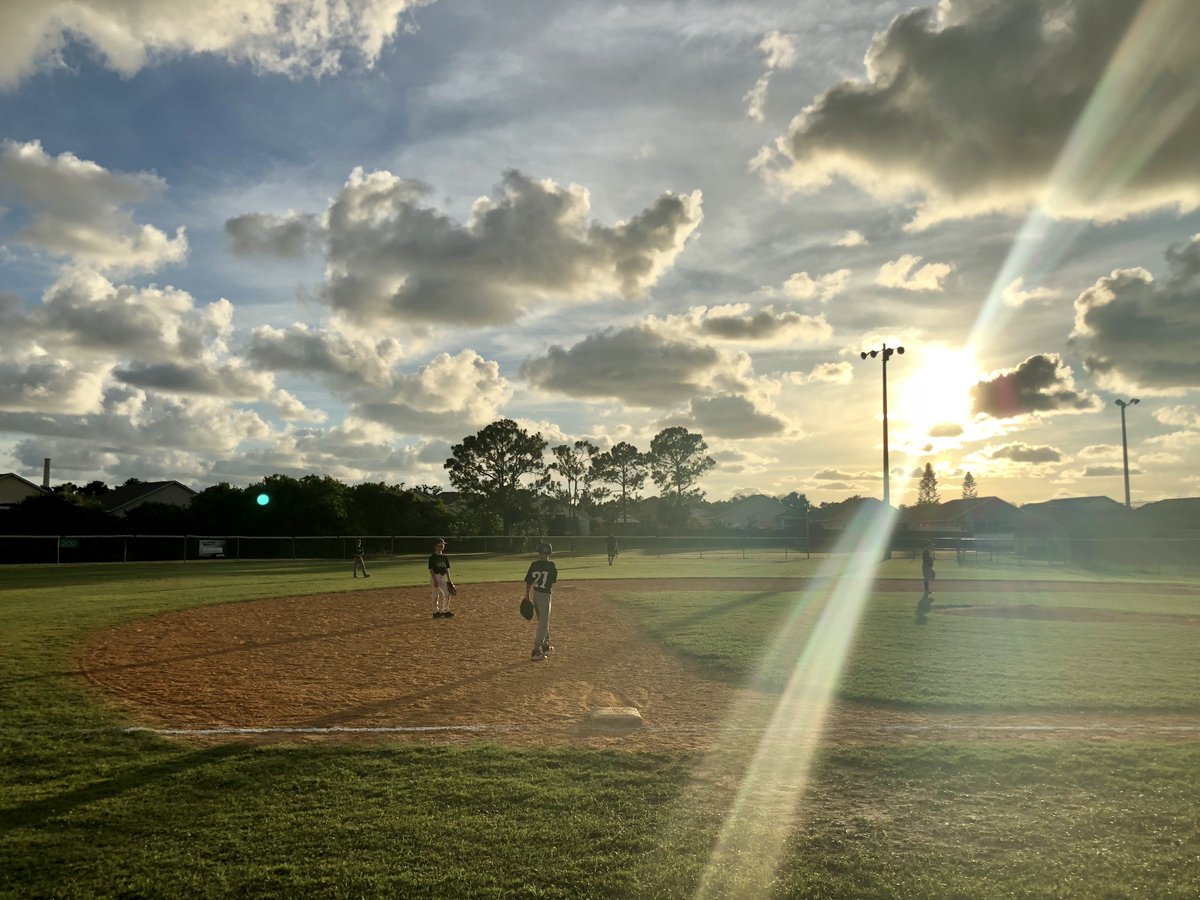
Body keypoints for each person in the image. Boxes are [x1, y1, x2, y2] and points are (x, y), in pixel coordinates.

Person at [523, 542, 558, 661]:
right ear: (550, 552)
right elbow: (552, 582)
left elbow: (528, 582)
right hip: (545, 595)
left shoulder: (534, 564)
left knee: (542, 619)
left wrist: (527, 597)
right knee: (544, 621)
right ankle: (536, 650)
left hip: (535, 594)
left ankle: (545, 645)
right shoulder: (551, 565)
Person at [428, 538, 454, 618]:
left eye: (443, 545)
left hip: (442, 577)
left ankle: (445, 610)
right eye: (440, 545)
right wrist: (435, 580)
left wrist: (450, 580)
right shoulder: (432, 557)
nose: (442, 546)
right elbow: (431, 569)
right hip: (435, 576)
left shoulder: (445, 557)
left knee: (447, 593)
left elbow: (447, 569)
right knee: (436, 595)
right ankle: (435, 612)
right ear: (435, 546)